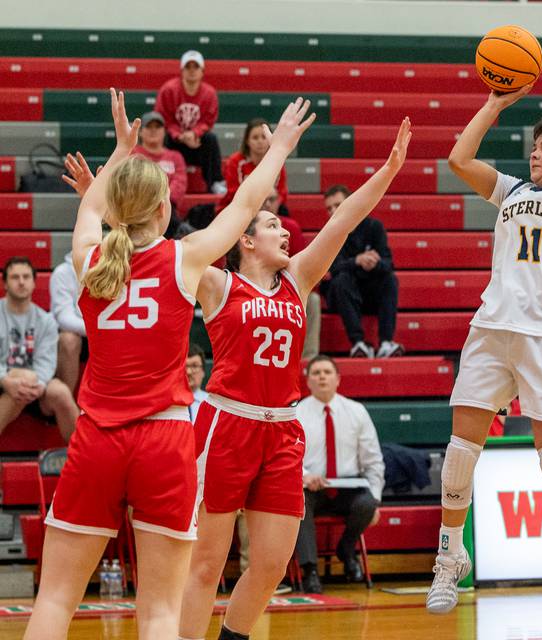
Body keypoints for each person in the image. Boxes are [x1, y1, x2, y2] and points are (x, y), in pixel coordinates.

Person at [23, 89, 314, 640]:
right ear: (164, 210)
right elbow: (247, 203)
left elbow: (90, 210)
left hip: (98, 437)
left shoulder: (87, 258)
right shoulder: (185, 257)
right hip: (164, 441)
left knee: (57, 597)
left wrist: (120, 150)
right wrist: (276, 149)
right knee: (158, 611)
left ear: (113, 210)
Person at [178, 118, 410, 640]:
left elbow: (344, 221)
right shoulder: (217, 283)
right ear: (246, 239)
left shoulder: (299, 280)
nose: (285, 231)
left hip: (282, 430)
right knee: (207, 563)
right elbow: (236, 208)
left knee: (271, 563)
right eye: (272, 227)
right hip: (227, 425)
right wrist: (276, 151)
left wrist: (388, 172)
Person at [425, 36, 542, 631]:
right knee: (458, 455)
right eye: (535, 146)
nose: (537, 154)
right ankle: (450, 557)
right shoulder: (512, 190)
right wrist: (497, 101)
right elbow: (458, 158)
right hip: (491, 327)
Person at [294, 354, 385, 594]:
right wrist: (304, 475)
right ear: (308, 381)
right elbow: (289, 455)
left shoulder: (356, 411)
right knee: (299, 504)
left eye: (327, 372)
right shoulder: (297, 413)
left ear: (338, 379)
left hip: (348, 485)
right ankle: (310, 570)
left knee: (367, 503)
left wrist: (375, 498)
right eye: (316, 373)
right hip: (312, 485)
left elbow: (373, 459)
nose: (322, 376)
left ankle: (346, 548)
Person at [0, 257, 78, 442]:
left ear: (34, 283)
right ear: (5, 284)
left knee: (60, 392)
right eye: (15, 277)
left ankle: (84, 459)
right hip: (3, 381)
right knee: (23, 379)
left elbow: (46, 362)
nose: (21, 282)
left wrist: (40, 384)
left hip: (33, 385)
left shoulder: (46, 321)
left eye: (26, 277)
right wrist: (5, 380)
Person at [322, 185, 403, 358]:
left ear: (351, 203)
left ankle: (386, 342)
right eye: (329, 208)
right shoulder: (329, 233)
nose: (332, 211)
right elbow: (332, 268)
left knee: (390, 279)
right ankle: (358, 342)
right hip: (343, 295)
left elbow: (388, 263)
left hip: (368, 291)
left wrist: (374, 263)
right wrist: (357, 261)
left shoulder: (373, 226)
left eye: (337, 205)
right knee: (341, 280)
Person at [260, 185, 321, 360]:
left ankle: (308, 359)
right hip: (256, 285)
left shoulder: (290, 227)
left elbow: (305, 265)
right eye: (263, 199)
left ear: (279, 201)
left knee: (313, 300)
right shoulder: (245, 228)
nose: (267, 204)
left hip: (285, 284)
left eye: (271, 199)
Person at [155, 50, 226, 195]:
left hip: (196, 142)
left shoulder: (209, 93)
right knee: (163, 138)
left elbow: (208, 120)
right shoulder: (168, 90)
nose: (192, 71)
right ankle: (161, 181)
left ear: (202, 71)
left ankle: (215, 182)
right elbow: (163, 118)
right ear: (182, 70)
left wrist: (194, 133)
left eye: (196, 67)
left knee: (211, 139)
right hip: (175, 140)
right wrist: (179, 135)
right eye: (188, 67)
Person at [218, 118, 289, 212]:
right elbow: (233, 192)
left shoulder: (276, 161)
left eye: (264, 137)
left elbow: (281, 193)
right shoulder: (235, 161)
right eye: (255, 138)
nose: (260, 141)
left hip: (268, 208)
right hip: (238, 209)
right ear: (247, 141)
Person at [49, 251, 86, 395]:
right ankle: (66, 405)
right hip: (82, 333)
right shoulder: (62, 272)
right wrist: (99, 330)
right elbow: (64, 319)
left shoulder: (111, 269)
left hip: (102, 332)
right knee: (69, 339)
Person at [186, 343, 208, 422]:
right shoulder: (170, 405)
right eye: (184, 366)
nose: (188, 372)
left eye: (194, 366)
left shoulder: (211, 404)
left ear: (203, 371)